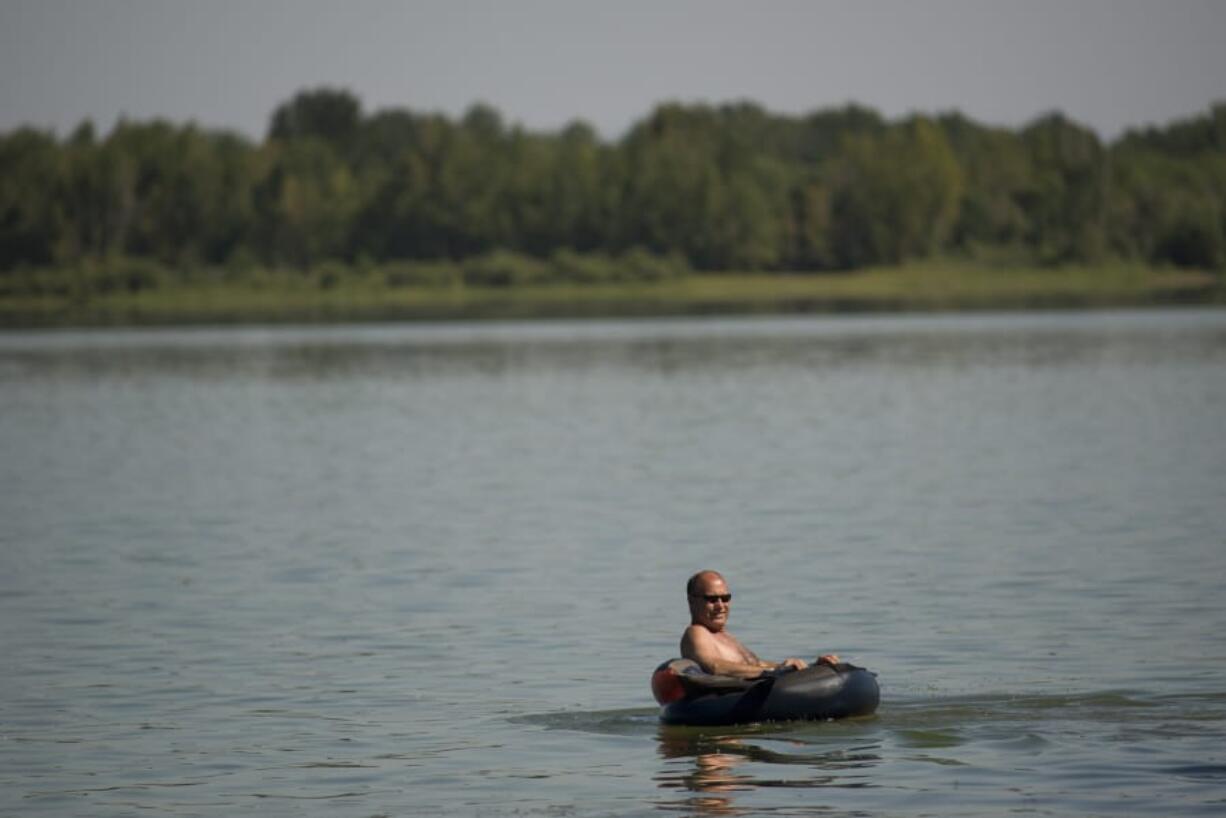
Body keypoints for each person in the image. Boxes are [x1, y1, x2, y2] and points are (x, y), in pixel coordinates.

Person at [680, 570, 839, 679]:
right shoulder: (696, 633)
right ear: (691, 601)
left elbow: (756, 665)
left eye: (725, 598)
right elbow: (715, 667)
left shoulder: (724, 635)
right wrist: (776, 672)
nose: (721, 605)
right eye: (712, 599)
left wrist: (806, 668)